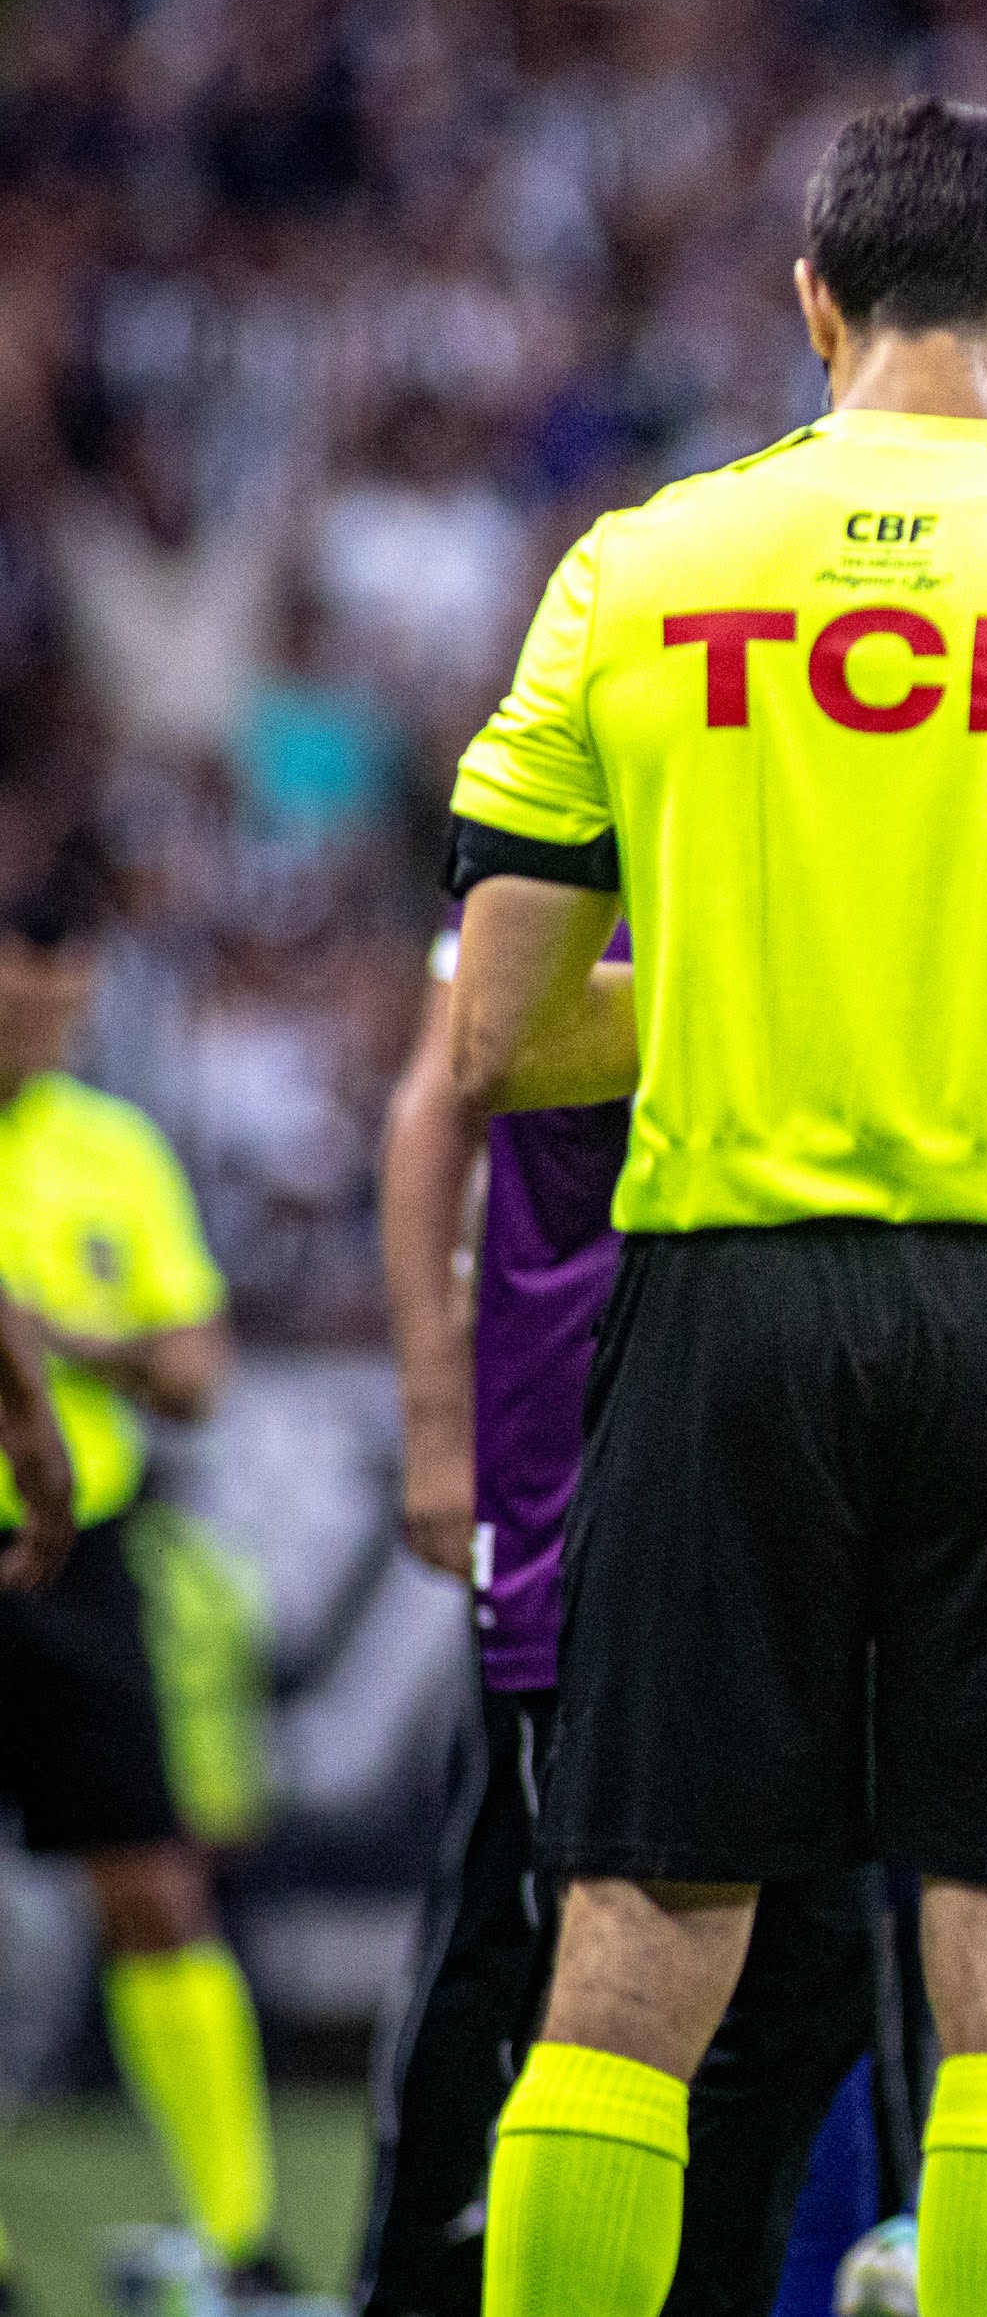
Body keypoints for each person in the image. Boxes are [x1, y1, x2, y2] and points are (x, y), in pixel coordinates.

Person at [438, 95, 987, 2317]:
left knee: (637, 1937)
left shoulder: (635, 567)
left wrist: (760, 975)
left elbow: (496, 1046)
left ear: (812, 303)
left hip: (723, 1304)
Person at [365, 916, 901, 2317]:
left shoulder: (789, 776)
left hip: (766, 1437)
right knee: (546, 1918)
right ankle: (425, 2270)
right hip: (587, 1442)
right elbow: (450, 1084)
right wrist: (438, 1418)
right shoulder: (591, 760)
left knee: (810, 1955)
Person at [0, 831, 295, 2308]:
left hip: (78, 1558)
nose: (43, 1021)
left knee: (155, 1893)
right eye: (23, 994)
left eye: (63, 995)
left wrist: (73, 1344)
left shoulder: (110, 1148)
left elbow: (196, 1366)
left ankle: (237, 2234)